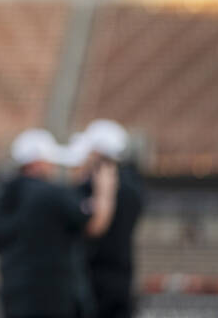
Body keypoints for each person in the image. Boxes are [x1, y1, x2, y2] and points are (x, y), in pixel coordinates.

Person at [0, 128, 117, 318]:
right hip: (54, 301)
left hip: (13, 301)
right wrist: (106, 189)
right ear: (38, 163)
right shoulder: (54, 195)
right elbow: (95, 226)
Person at [76, 120, 145, 318]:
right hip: (120, 278)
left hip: (96, 283)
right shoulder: (134, 186)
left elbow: (94, 228)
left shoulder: (98, 186)